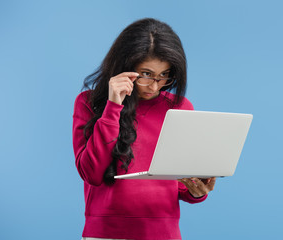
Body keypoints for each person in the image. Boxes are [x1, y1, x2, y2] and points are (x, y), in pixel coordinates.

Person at [72, 18, 216, 240]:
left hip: (164, 234)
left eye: (164, 75)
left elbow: (177, 183)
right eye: (146, 74)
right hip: (105, 234)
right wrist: (113, 106)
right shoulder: (88, 103)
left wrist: (196, 191)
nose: (155, 86)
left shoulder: (180, 108)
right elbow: (91, 173)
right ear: (124, 67)